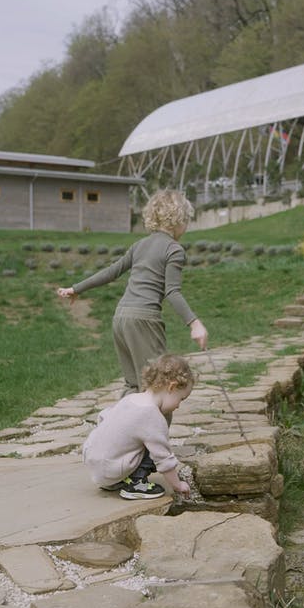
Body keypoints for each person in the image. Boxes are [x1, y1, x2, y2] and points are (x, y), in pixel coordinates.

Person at [57, 189, 207, 394]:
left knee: (133, 385)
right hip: (144, 320)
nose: (187, 226)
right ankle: (156, 427)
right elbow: (172, 291)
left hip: (121, 318)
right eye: (187, 220)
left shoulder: (139, 245)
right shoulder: (174, 249)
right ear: (178, 219)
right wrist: (195, 324)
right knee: (160, 387)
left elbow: (112, 272)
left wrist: (76, 288)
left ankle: (121, 425)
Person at [83, 354, 194, 500]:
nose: (179, 405)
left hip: (95, 464)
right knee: (155, 443)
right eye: (181, 399)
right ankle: (136, 484)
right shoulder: (151, 415)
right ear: (172, 387)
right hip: (110, 470)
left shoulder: (131, 399)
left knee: (135, 437)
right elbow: (163, 458)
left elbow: (104, 417)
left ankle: (116, 479)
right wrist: (178, 485)